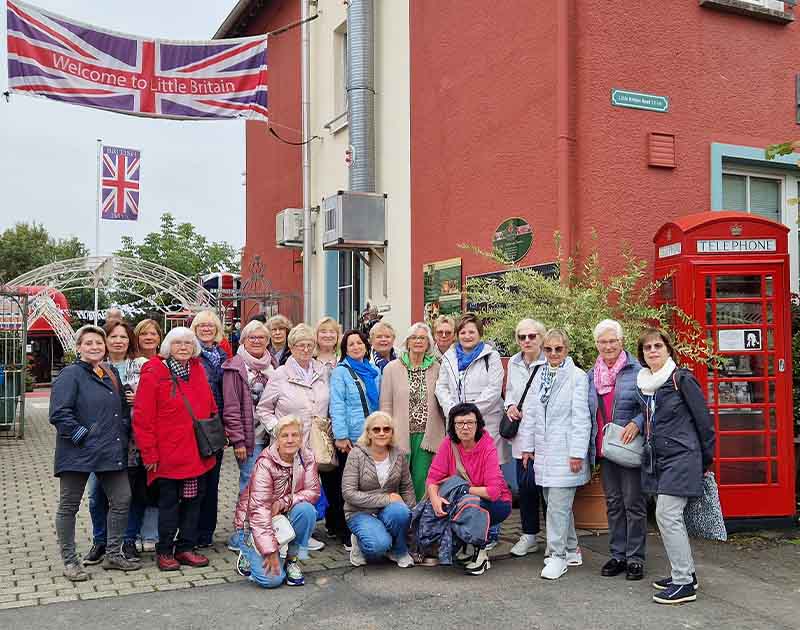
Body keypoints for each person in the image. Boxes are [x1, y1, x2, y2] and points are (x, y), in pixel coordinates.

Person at [49, 325, 140, 581]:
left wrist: (122, 431)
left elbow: (122, 409)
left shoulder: (110, 372)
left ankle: (113, 554)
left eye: (99, 343)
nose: (95, 347)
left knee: (122, 498)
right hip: (77, 452)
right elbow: (59, 413)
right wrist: (83, 436)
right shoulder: (70, 374)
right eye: (88, 343)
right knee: (69, 506)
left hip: (110, 450)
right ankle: (70, 561)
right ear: (79, 347)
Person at [636, 328, 715, 605]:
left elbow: (704, 421)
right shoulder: (646, 384)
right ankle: (686, 573)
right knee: (668, 517)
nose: (653, 351)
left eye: (658, 346)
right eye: (647, 348)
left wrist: (705, 460)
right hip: (659, 459)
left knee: (667, 515)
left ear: (668, 349)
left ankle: (684, 584)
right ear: (642, 355)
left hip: (683, 457)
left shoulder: (681, 379)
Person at [133, 327, 217, 571]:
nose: (183, 347)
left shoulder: (197, 369)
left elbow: (210, 404)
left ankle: (185, 547)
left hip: (196, 452)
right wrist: (149, 452)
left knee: (194, 501)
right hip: (167, 454)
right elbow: (142, 416)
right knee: (168, 504)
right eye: (178, 342)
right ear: (168, 346)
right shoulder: (154, 371)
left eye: (188, 343)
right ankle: (165, 550)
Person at [520, 328, 591, 580]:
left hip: (566, 451)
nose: (553, 353)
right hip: (544, 452)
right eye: (548, 349)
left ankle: (556, 556)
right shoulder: (539, 374)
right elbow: (531, 414)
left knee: (557, 508)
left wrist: (577, 453)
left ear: (566, 349)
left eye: (558, 349)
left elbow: (582, 418)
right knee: (554, 503)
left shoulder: (577, 377)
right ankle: (572, 550)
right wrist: (527, 447)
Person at [256, 323, 329, 552]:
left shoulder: (322, 371)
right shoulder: (280, 375)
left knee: (310, 487)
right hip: (288, 445)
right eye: (300, 345)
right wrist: (278, 430)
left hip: (314, 442)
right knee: (286, 489)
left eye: (309, 345)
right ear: (291, 347)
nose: (305, 349)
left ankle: (305, 532)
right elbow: (263, 409)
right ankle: (282, 532)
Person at [587, 319, 646, 581]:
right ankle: (618, 555)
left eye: (612, 341)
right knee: (613, 503)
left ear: (621, 342)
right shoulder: (591, 375)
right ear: (596, 344)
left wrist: (638, 422)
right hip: (605, 449)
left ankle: (635, 558)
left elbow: (651, 405)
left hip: (628, 446)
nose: (608, 346)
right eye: (603, 342)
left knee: (633, 503)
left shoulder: (637, 371)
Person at [232, 415, 320, 588]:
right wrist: (270, 551)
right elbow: (259, 511)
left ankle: (291, 560)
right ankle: (248, 550)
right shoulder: (265, 464)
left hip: (283, 514)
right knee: (271, 581)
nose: (290, 440)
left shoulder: (307, 457)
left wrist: (283, 502)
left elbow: (313, 492)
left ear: (301, 438)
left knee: (307, 510)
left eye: (295, 435)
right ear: (277, 439)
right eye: (285, 435)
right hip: (253, 523)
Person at [426, 403, 512, 576]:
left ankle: (481, 553)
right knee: (449, 501)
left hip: (497, 504)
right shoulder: (448, 444)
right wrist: (435, 499)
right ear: (453, 426)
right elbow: (433, 478)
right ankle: (463, 546)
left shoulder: (487, 446)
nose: (465, 427)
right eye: (460, 423)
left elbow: (493, 492)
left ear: (478, 424)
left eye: (470, 422)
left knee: (468, 502)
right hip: (463, 499)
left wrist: (463, 489)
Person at [86, 320, 144, 565]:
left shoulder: (141, 365)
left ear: (130, 340)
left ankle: (128, 540)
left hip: (133, 440)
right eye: (113, 336)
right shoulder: (93, 367)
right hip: (101, 442)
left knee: (130, 494)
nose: (118, 341)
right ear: (105, 340)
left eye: (123, 337)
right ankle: (100, 540)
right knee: (96, 495)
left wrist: (139, 398)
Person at [222, 319, 274, 551]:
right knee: (249, 486)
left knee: (269, 485)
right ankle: (241, 534)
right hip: (249, 439)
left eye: (261, 337)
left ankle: (263, 529)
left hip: (272, 437)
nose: (257, 341)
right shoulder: (234, 367)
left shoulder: (273, 363)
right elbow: (231, 407)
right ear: (243, 340)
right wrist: (238, 440)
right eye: (252, 337)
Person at [327, 329, 381, 547]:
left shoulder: (374, 370)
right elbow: (337, 404)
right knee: (347, 485)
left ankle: (367, 525)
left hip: (374, 437)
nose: (357, 347)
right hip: (351, 439)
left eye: (360, 343)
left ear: (366, 346)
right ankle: (344, 530)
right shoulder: (341, 372)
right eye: (351, 344)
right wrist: (340, 436)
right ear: (345, 349)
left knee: (369, 484)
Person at [379, 322, 446, 500]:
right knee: (398, 479)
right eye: (414, 338)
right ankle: (400, 512)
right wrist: (385, 432)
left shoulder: (437, 368)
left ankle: (420, 513)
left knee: (422, 478)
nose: (418, 341)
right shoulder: (392, 368)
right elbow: (385, 404)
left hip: (427, 435)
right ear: (407, 342)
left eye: (422, 338)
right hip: (400, 433)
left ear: (428, 343)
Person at [342, 411, 416, 568]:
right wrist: (386, 499)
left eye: (386, 429)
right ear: (368, 433)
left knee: (401, 512)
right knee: (378, 546)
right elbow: (348, 493)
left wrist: (410, 515)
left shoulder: (399, 454)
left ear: (392, 432)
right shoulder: (356, 454)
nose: (382, 433)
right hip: (359, 512)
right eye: (376, 429)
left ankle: (399, 551)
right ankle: (359, 543)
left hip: (387, 511)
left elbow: (407, 487)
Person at [436, 312, 506, 464]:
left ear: (480, 333)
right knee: (462, 470)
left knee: (487, 470)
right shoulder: (448, 357)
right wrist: (453, 411)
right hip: (458, 425)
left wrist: (470, 413)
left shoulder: (491, 356)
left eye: (471, 332)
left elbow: (494, 389)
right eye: (463, 332)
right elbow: (441, 387)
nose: (467, 336)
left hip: (486, 423)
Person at [504, 318, 547, 558]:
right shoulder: (514, 362)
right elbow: (510, 391)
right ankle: (529, 535)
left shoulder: (549, 362)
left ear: (541, 338)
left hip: (544, 435)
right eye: (522, 337)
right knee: (526, 487)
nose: (527, 341)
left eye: (532, 336)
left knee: (548, 490)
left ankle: (556, 538)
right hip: (521, 435)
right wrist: (510, 405)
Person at [190, 310, 229, 548]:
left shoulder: (223, 356)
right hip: (195, 426)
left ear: (217, 330)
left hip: (216, 426)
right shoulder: (190, 354)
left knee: (212, 482)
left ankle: (206, 532)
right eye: (201, 325)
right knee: (195, 482)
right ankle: (190, 531)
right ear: (194, 329)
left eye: (210, 325)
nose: (206, 329)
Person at [127, 318, 163, 553]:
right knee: (134, 488)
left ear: (160, 337)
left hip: (159, 434)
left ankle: (151, 532)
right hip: (132, 437)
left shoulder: (166, 362)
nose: (149, 337)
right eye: (144, 334)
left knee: (155, 486)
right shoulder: (131, 364)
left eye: (153, 333)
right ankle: (133, 534)